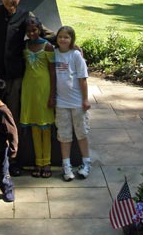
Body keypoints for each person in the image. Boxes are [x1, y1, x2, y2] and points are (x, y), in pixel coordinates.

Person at [0, 0, 54, 176]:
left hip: (14, 75)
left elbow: (44, 33)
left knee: (12, 118)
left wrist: (69, 42)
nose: (11, 0)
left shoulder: (25, 15)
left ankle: (13, 161)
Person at [20, 16, 56, 178]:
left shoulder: (47, 47)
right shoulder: (25, 46)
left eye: (34, 30)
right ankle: (37, 161)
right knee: (35, 127)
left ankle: (46, 162)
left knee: (46, 128)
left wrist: (52, 94)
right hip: (29, 90)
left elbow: (52, 71)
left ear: (40, 29)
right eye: (28, 31)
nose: (32, 33)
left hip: (44, 89)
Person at [54, 25, 91, 181]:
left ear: (72, 39)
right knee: (64, 135)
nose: (63, 39)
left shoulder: (75, 55)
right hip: (61, 102)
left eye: (66, 37)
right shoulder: (53, 54)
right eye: (60, 36)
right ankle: (66, 165)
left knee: (81, 132)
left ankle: (86, 162)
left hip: (76, 102)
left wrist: (85, 99)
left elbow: (83, 79)